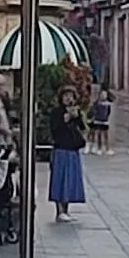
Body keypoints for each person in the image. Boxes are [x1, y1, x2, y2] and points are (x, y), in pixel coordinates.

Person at [48, 87, 87, 221]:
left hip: (72, 149)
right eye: (66, 96)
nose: (68, 98)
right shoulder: (56, 112)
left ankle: (66, 210)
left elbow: (82, 128)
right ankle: (59, 210)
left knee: (70, 180)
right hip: (61, 148)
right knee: (60, 179)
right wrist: (64, 120)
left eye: (71, 96)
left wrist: (77, 117)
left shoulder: (75, 111)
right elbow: (54, 129)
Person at [88, 88, 112, 153]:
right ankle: (99, 148)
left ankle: (107, 148)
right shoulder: (97, 103)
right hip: (98, 120)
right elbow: (94, 110)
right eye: (102, 94)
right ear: (99, 95)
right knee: (99, 134)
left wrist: (106, 117)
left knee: (106, 135)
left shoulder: (108, 103)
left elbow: (109, 111)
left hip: (105, 121)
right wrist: (95, 116)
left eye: (105, 95)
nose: (103, 96)